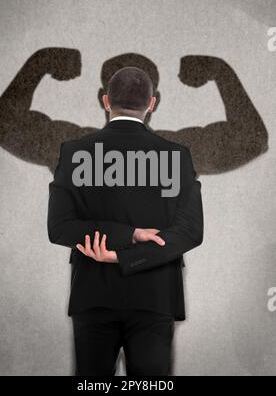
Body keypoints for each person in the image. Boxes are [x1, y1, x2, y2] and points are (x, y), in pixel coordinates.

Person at [47, 66, 204, 376]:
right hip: (155, 297)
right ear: (152, 103)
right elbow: (189, 233)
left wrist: (122, 240)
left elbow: (60, 228)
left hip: (93, 295)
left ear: (106, 101)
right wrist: (131, 241)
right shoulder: (176, 156)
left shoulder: (75, 153)